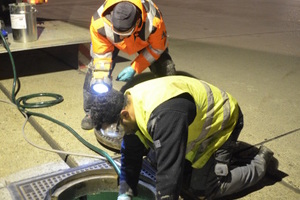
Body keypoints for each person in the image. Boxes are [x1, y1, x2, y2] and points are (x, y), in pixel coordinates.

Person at [90, 75, 274, 200]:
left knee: (203, 190)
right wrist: (125, 192)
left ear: (123, 114)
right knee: (155, 161)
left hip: (222, 123)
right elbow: (131, 154)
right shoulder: (130, 101)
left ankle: (261, 162)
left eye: (115, 129)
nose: (118, 135)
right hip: (187, 122)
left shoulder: (164, 117)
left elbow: (170, 174)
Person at [82, 0, 176, 130]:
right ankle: (93, 112)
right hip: (111, 42)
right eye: (118, 33)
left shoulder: (154, 21)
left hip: (144, 42)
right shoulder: (99, 23)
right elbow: (101, 55)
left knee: (166, 69)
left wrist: (135, 67)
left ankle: (171, 108)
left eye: (124, 34)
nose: (121, 37)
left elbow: (157, 49)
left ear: (137, 22)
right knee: (96, 73)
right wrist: (101, 79)